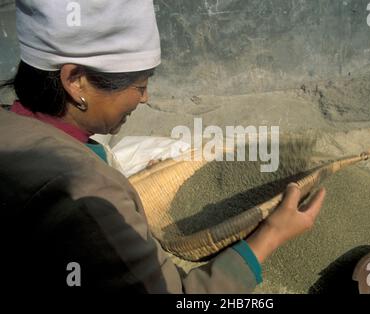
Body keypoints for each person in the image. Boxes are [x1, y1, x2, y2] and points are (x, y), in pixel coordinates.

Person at [0, 0, 325, 293]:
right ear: (75, 80)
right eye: (139, 86)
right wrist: (271, 235)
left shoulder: (13, 127)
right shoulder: (87, 198)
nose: (145, 97)